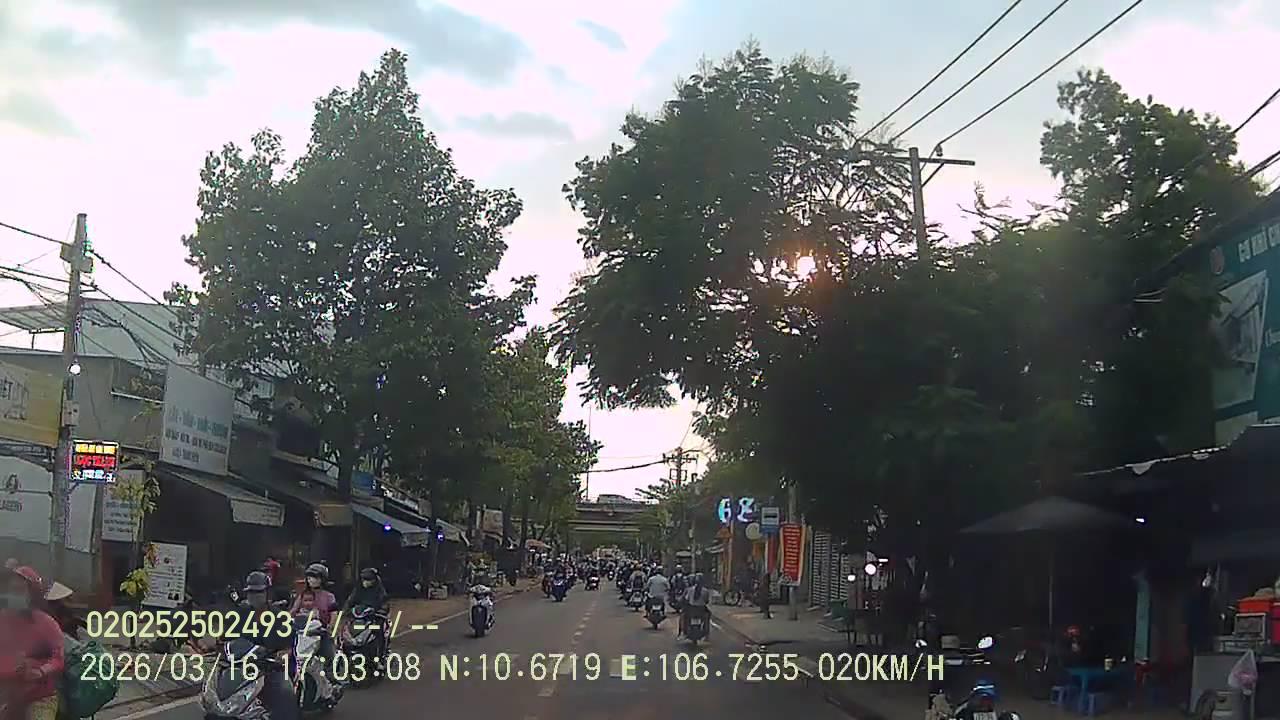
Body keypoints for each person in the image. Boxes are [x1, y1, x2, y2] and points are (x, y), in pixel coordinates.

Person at [0, 566, 66, 720]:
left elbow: (58, 658)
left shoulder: (46, 623)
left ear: (32, 595)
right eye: (12, 590)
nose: (14, 595)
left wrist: (40, 671)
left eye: (19, 590)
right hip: (6, 694)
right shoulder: (2, 620)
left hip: (40, 696)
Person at [238, 571, 298, 720]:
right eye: (251, 592)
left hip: (272, 668)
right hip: (243, 667)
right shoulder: (242, 614)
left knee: (286, 692)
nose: (254, 596)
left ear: (267, 593)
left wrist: (283, 654)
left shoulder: (279, 617)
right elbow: (229, 637)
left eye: (258, 592)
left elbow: (289, 645)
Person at [289, 563, 337, 670]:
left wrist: (330, 626)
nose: (311, 580)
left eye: (315, 577)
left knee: (329, 657)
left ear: (322, 579)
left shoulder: (329, 596)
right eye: (309, 577)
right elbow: (293, 611)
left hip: (321, 632)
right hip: (303, 633)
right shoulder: (303, 595)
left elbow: (334, 614)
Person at [679, 573, 712, 638]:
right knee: (707, 616)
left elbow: (686, 599)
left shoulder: (690, 589)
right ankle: (706, 633)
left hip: (691, 609)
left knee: (683, 616)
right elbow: (706, 601)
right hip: (701, 610)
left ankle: (682, 632)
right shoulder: (705, 591)